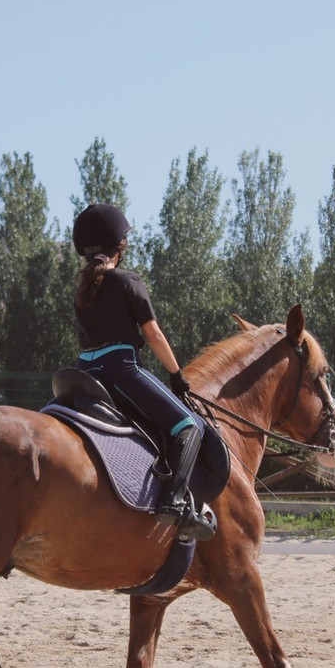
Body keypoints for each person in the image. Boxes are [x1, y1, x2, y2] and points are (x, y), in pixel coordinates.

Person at [72, 202, 215, 541]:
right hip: (119, 370)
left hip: (83, 372)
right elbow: (154, 335)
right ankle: (175, 503)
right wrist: (176, 374)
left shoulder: (82, 290)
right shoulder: (127, 281)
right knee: (189, 425)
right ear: (120, 246)